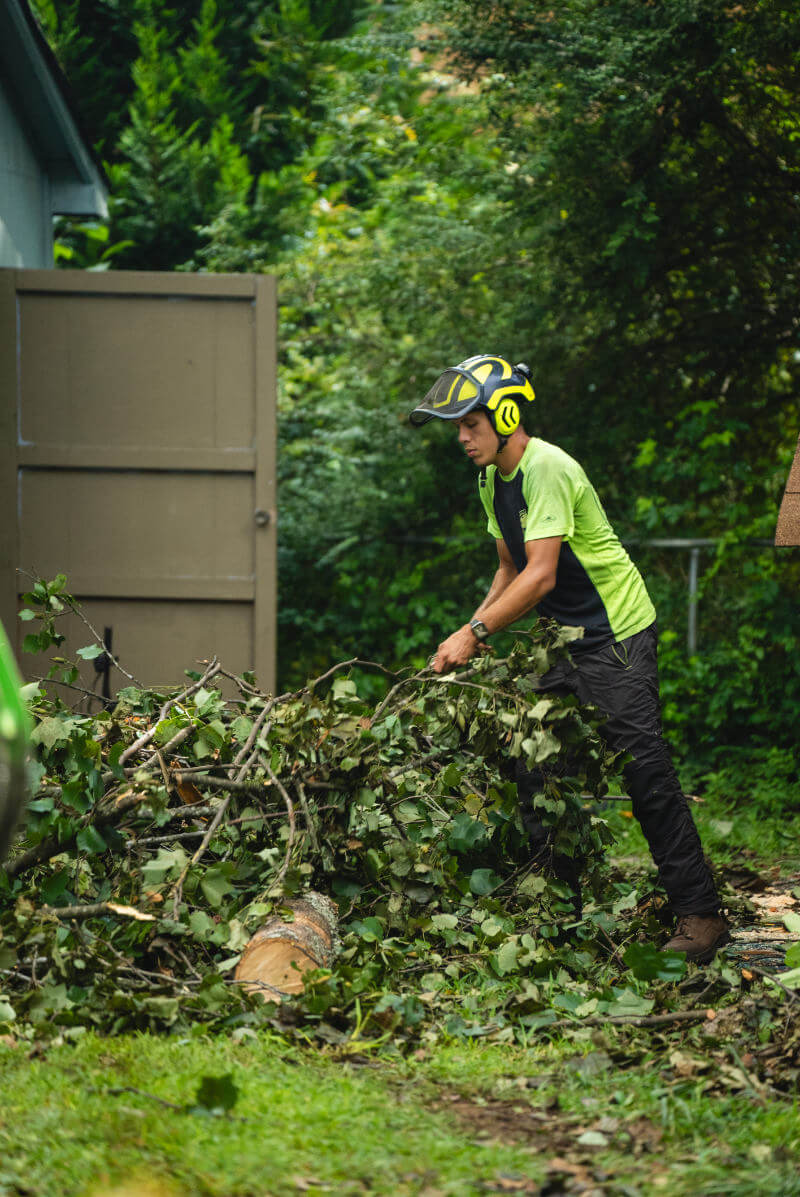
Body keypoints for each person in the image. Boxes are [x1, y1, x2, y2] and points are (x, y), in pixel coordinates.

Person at [409, 354, 730, 963]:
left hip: (616, 634)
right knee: (535, 760)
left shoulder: (546, 468)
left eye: (469, 424)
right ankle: (553, 901)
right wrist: (471, 633)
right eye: (456, 427)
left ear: (504, 416)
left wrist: (473, 632)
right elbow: (509, 569)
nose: (461, 437)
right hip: (564, 638)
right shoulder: (489, 480)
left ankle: (701, 915)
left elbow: (543, 574)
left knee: (646, 776)